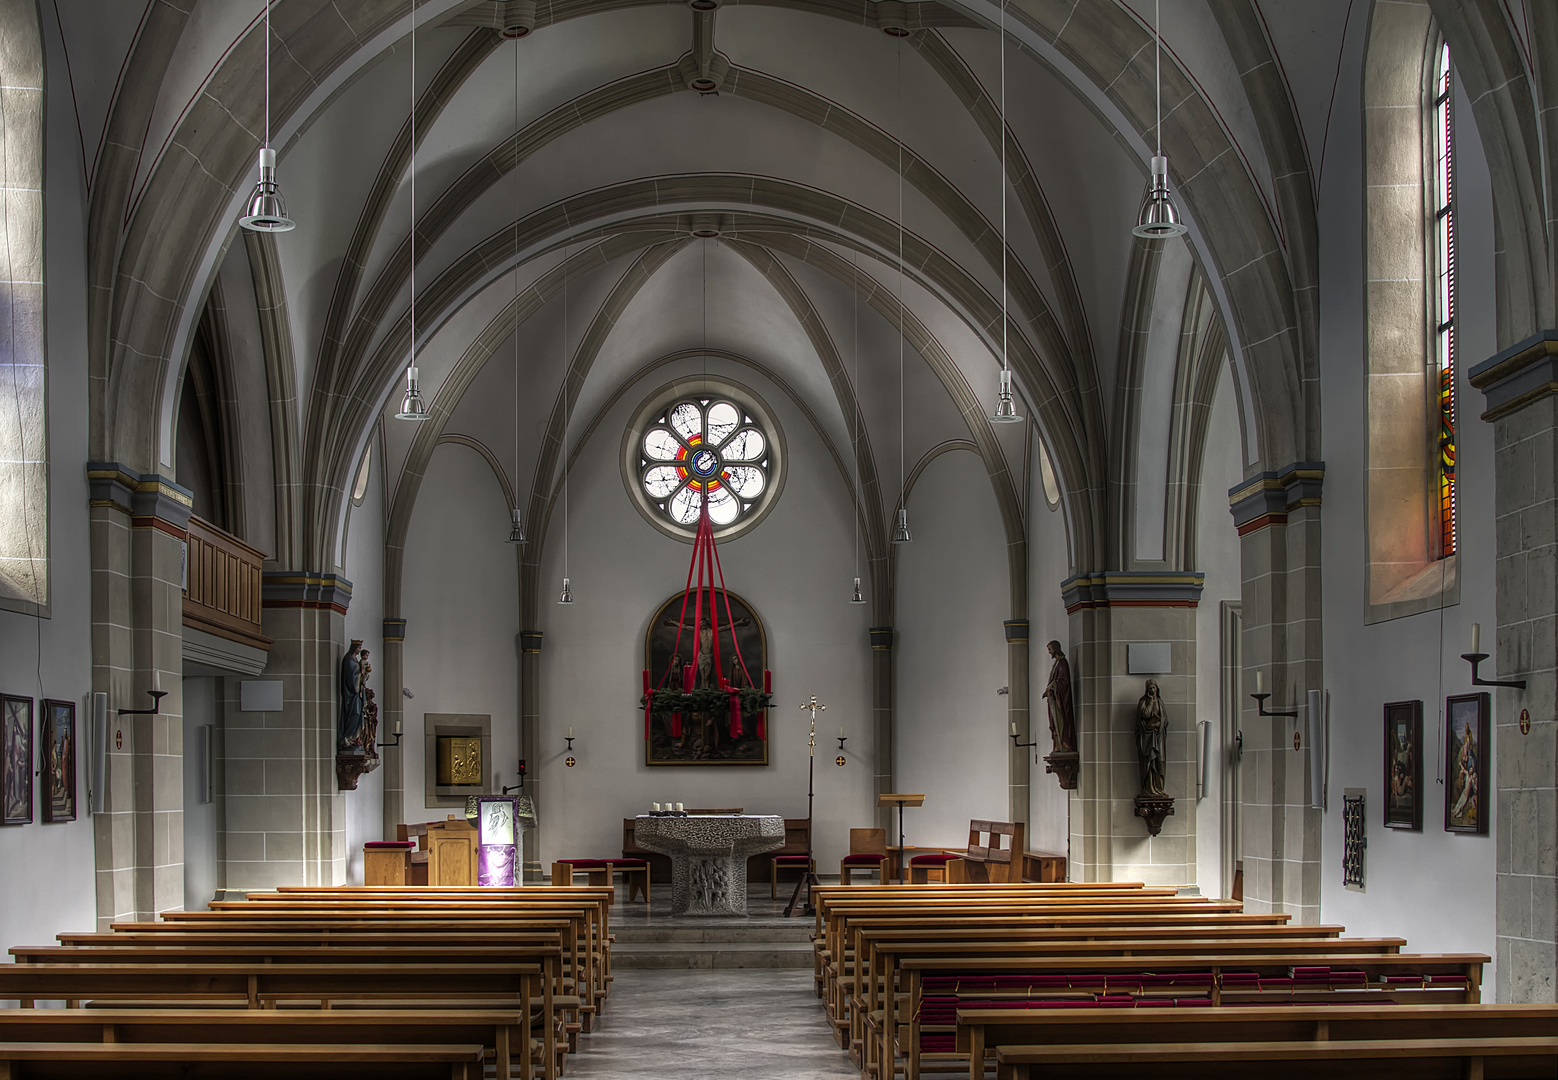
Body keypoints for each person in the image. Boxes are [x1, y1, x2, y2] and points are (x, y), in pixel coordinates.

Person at [1041, 640, 1075, 753]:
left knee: (1060, 721)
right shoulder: (1056, 664)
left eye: (1050, 649)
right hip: (1053, 699)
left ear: (1055, 649)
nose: (1049, 652)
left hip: (1059, 699)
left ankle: (1064, 744)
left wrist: (1052, 686)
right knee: (1054, 724)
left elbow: (1063, 682)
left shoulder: (1062, 663)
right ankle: (1057, 745)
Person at [1136, 679, 1166, 796]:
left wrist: (1158, 724)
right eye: (1150, 689)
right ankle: (1148, 788)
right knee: (1149, 762)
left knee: (1159, 761)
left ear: (1157, 689)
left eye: (1154, 688)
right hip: (1147, 737)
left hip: (1158, 737)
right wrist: (1150, 702)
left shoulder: (1160, 702)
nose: (1152, 691)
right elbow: (1145, 714)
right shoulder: (1143, 701)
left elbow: (1165, 720)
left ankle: (1159, 788)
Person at [339, 640, 365, 749]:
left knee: (358, 714)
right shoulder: (349, 660)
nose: (359, 650)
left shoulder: (355, 660)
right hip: (351, 694)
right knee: (355, 713)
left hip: (357, 694)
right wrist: (362, 672)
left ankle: (353, 738)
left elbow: (359, 676)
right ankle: (347, 737)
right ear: (354, 647)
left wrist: (365, 674)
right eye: (359, 648)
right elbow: (351, 678)